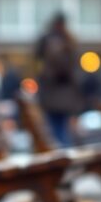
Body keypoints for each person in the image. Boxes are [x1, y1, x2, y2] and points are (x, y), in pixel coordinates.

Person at [34, 14, 81, 147]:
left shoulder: (50, 41)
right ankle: (63, 154)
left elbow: (38, 58)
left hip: (52, 95)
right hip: (65, 97)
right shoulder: (69, 41)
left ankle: (62, 155)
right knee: (60, 130)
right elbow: (74, 73)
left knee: (55, 131)